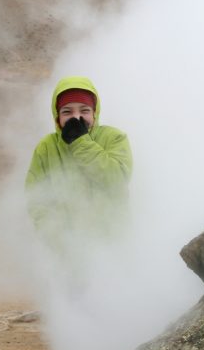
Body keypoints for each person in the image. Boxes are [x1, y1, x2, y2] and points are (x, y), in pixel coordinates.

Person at [25, 76, 133, 252]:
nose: (76, 117)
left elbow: (117, 180)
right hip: (66, 250)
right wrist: (57, 239)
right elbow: (37, 199)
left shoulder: (114, 138)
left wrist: (80, 142)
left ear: (94, 113)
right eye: (67, 112)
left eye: (84, 110)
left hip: (112, 246)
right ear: (57, 116)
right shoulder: (46, 148)